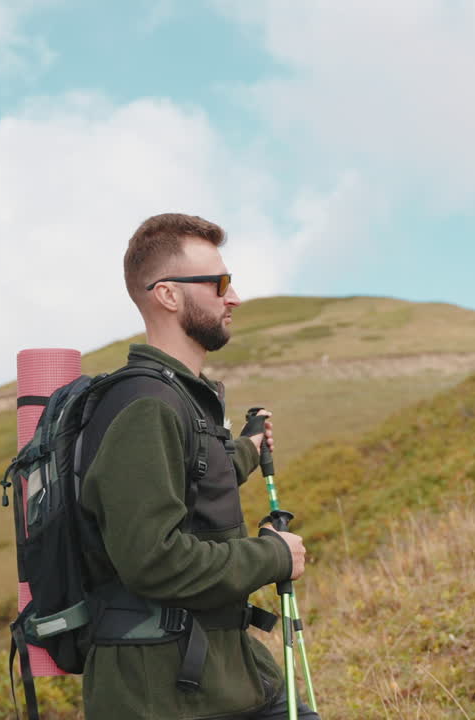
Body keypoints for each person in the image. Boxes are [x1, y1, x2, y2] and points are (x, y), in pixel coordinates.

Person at [76, 213, 318, 719]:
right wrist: (273, 555)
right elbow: (153, 560)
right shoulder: (147, 406)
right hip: (164, 695)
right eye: (219, 283)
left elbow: (198, 472)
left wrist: (248, 448)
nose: (234, 298)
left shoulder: (176, 397)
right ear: (167, 295)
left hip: (216, 676)